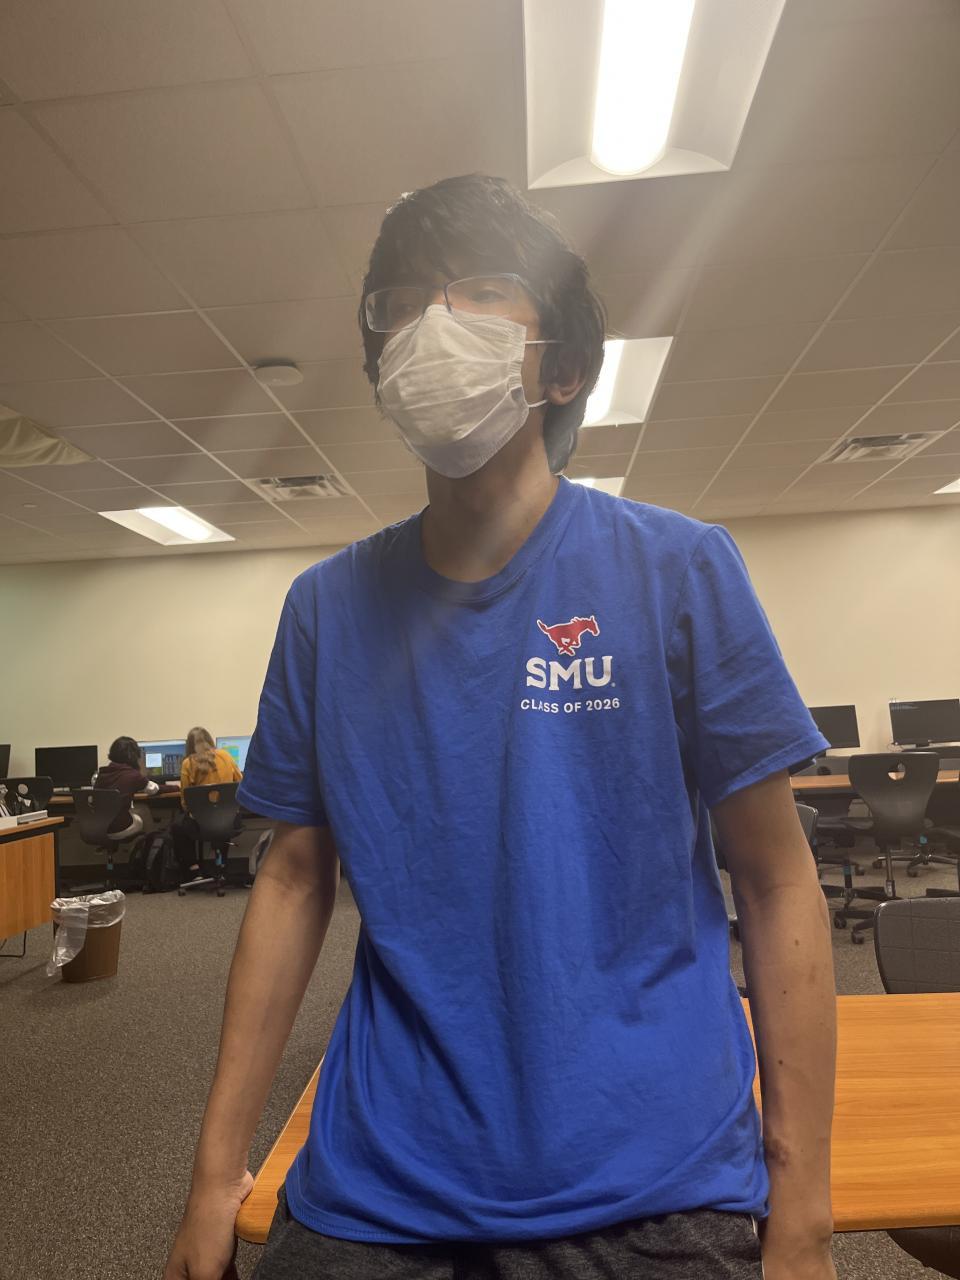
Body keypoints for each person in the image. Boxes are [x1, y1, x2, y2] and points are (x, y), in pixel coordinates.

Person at [165, 175, 837, 1280]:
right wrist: (212, 1175)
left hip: (653, 1181)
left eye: (481, 290)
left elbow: (775, 880)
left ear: (559, 367)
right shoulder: (325, 610)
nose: (433, 325)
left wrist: (802, 1206)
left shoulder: (678, 570)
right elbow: (290, 881)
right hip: (382, 1180)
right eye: (402, 303)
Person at [173, 727, 242, 880]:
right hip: (229, 820)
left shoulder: (187, 764)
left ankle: (193, 870)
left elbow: (185, 802)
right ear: (210, 740)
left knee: (177, 827)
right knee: (224, 818)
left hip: (201, 824)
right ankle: (222, 866)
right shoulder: (226, 756)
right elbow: (240, 784)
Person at [94, 735, 157, 839]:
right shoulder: (132, 775)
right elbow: (153, 790)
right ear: (134, 755)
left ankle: (141, 845)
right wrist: (176, 788)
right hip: (119, 827)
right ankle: (152, 844)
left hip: (100, 826)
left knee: (136, 809)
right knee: (143, 810)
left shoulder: (102, 773)